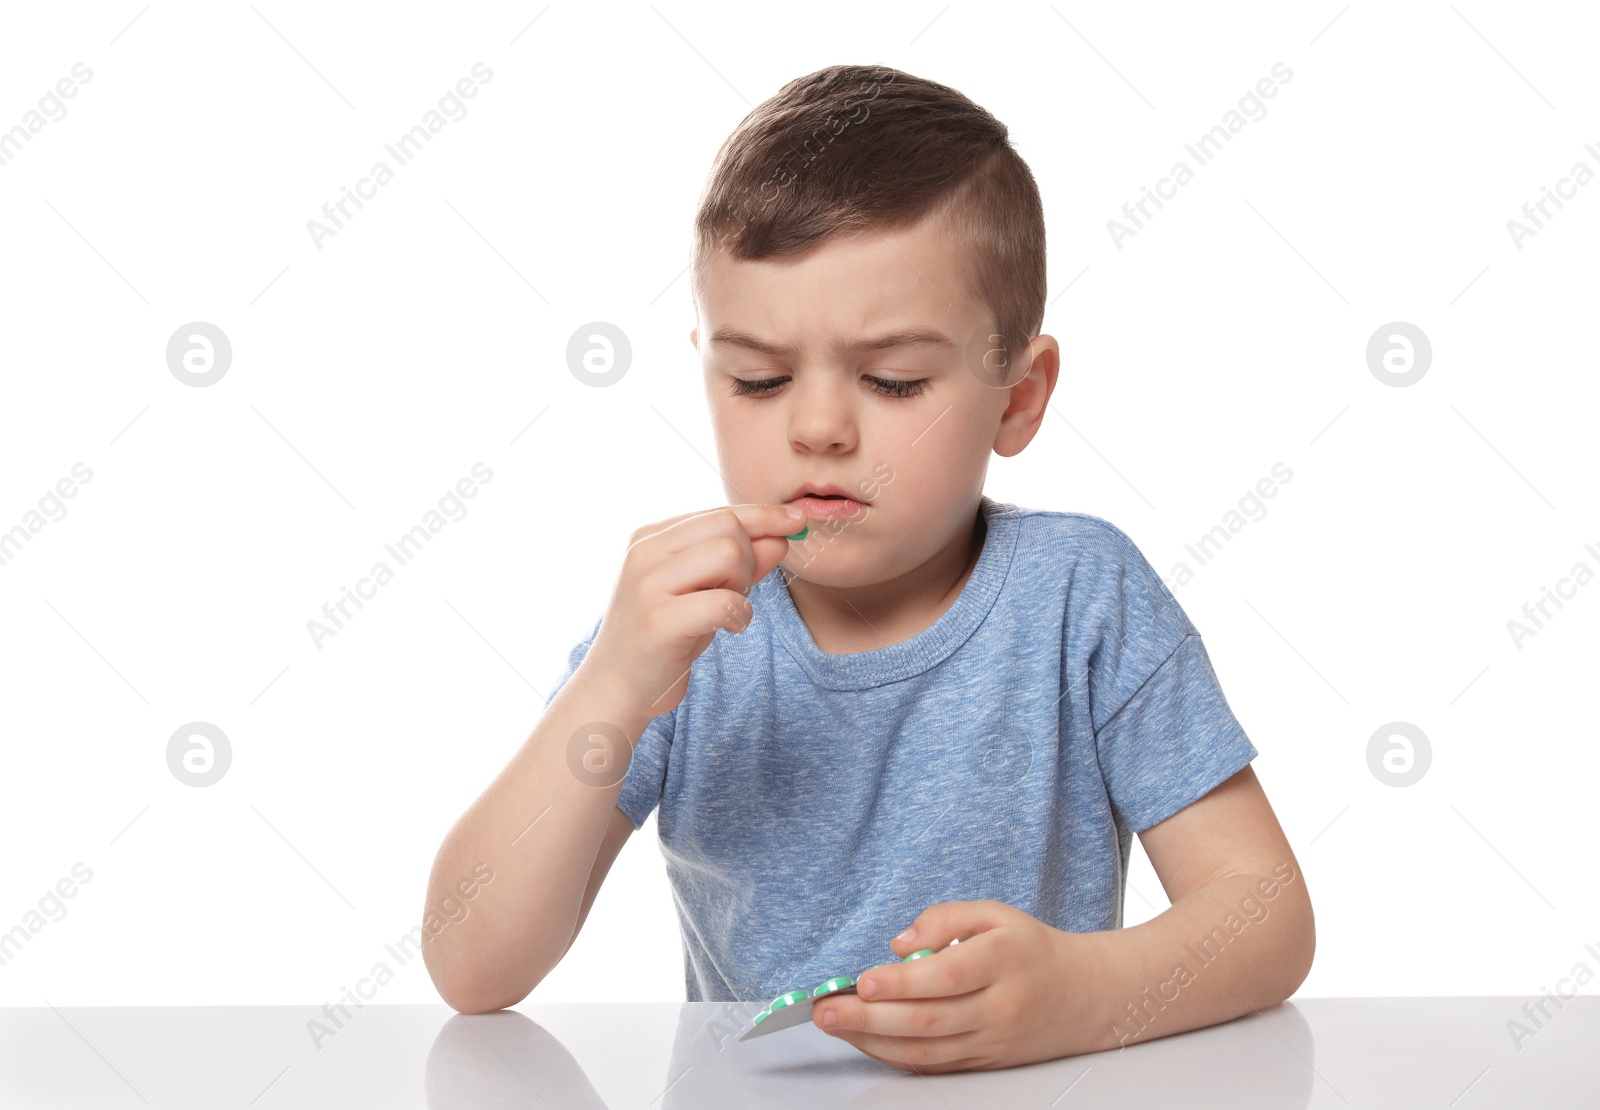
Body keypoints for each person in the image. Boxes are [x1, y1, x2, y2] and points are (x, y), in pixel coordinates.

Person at [422, 62, 1314, 1073]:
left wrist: (1081, 996)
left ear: (1017, 399)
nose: (816, 428)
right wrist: (613, 685)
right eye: (757, 379)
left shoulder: (1080, 597)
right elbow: (471, 965)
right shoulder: (685, 635)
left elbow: (1265, 914)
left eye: (892, 379)